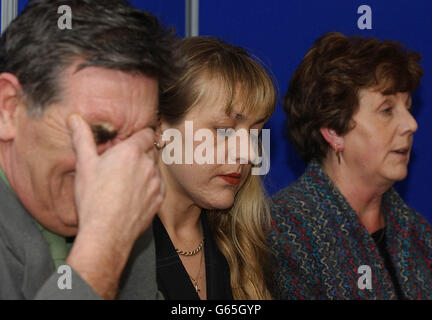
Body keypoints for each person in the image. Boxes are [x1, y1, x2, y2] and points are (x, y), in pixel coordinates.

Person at [0, 0, 179, 299]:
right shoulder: (111, 223)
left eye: (143, 138)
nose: (122, 164)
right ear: (9, 109)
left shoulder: (123, 202)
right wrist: (102, 248)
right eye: (99, 133)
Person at [269, 32, 432, 299]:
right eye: (387, 110)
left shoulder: (417, 232)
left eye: (408, 107)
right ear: (334, 130)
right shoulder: (285, 234)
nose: (411, 124)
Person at [153, 36, 277, 299]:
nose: (249, 153)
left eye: (255, 134)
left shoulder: (248, 248)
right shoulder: (114, 249)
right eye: (224, 130)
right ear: (159, 126)